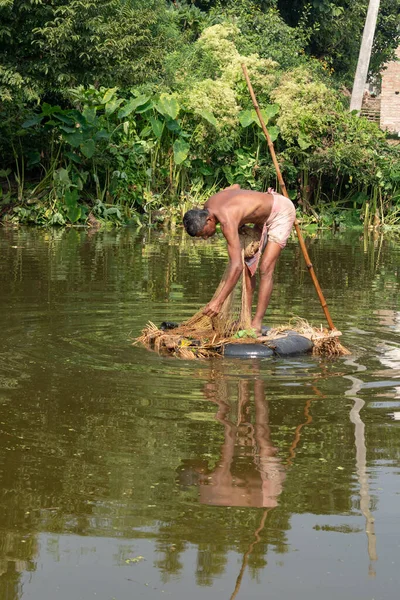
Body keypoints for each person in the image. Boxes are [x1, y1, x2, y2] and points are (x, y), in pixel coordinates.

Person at [183, 184, 296, 335]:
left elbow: (236, 267)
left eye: (203, 233)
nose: (205, 237)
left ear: (209, 220)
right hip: (261, 216)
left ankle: (257, 323)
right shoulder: (208, 206)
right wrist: (242, 216)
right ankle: (246, 319)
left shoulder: (226, 222)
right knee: (249, 266)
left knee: (266, 268)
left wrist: (218, 302)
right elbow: (235, 186)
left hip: (281, 211)